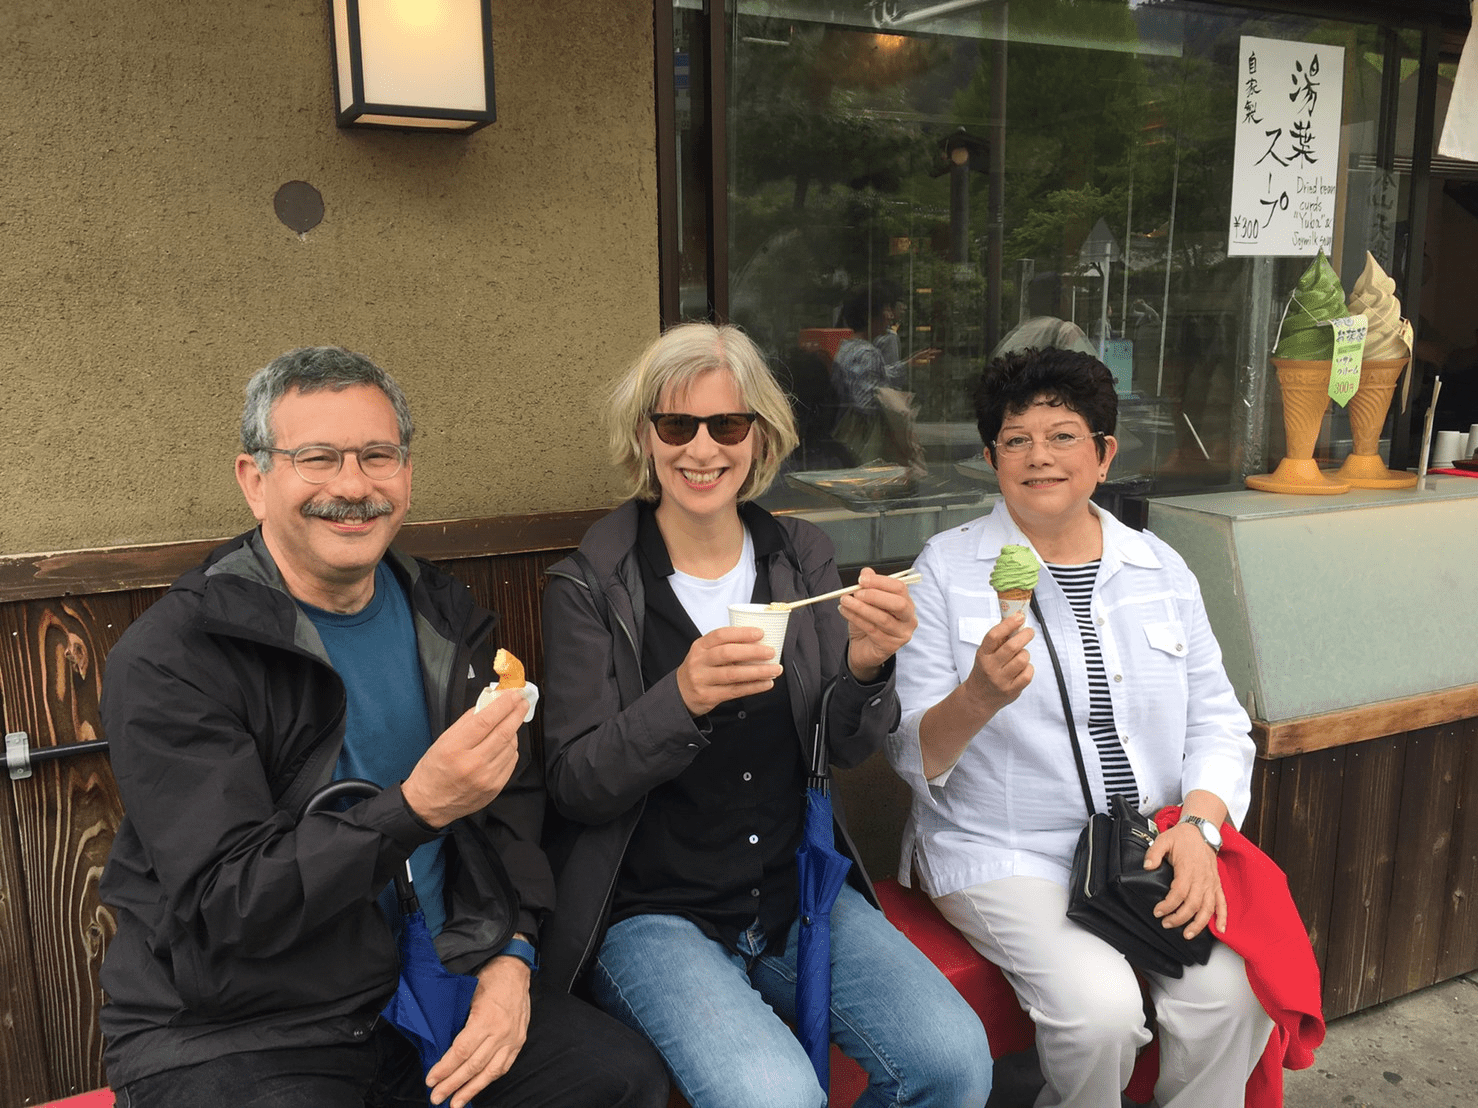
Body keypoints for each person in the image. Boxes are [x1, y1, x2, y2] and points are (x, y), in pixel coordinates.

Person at [97, 347, 667, 1108]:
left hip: (432, 979)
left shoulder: (447, 615)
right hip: (243, 1024)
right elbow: (224, 904)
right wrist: (418, 806)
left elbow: (512, 810)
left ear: (406, 473)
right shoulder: (178, 653)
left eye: (377, 456)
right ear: (254, 480)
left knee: (618, 1078)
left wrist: (513, 959)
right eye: (318, 458)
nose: (353, 486)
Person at [538, 322, 992, 1108]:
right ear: (644, 438)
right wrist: (678, 699)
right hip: (654, 915)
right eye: (677, 425)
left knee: (953, 1062)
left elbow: (845, 747)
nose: (702, 449)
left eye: (728, 424)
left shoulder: (799, 555)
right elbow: (575, 785)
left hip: (797, 890)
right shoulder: (591, 585)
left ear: (761, 436)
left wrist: (865, 667)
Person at [886, 346, 1273, 1108]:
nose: (1040, 457)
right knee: (1100, 1011)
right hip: (1002, 849)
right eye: (1016, 439)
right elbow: (910, 751)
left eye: (1063, 435)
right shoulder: (948, 569)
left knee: (1231, 994)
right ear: (992, 457)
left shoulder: (1159, 567)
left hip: (1146, 845)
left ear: (1103, 454)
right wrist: (979, 697)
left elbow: (1220, 722)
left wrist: (1199, 829)